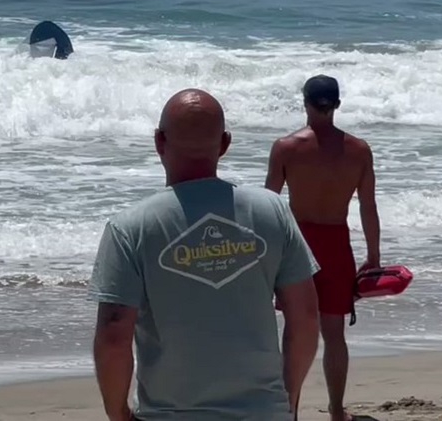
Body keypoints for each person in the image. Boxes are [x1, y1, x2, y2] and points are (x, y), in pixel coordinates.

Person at [90, 88, 320, 420]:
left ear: (159, 142)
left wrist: (117, 414)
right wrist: (288, 397)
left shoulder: (131, 227)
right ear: (225, 144)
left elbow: (114, 333)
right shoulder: (271, 212)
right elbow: (306, 316)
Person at [265, 74, 381, 421]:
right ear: (338, 105)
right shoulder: (358, 151)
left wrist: (266, 257)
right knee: (334, 334)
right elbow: (368, 207)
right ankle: (336, 410)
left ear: (304, 103)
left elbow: (268, 206)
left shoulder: (287, 148)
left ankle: (291, 409)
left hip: (296, 245)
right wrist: (373, 256)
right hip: (336, 246)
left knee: (296, 332)